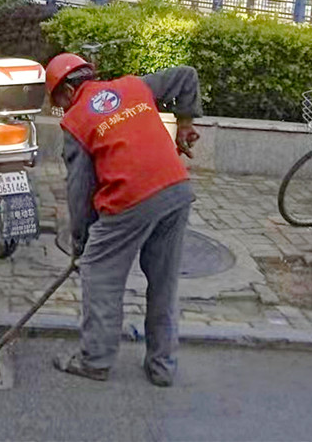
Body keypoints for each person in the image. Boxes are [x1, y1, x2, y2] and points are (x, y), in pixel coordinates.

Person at [45, 53, 202, 387]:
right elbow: (187, 76)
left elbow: (79, 188)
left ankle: (95, 360)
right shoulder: (133, 86)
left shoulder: (76, 121)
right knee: (164, 283)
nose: (60, 108)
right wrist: (185, 123)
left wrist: (81, 243)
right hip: (176, 190)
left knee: (99, 275)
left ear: (67, 92)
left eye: (58, 100)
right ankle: (162, 366)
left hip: (130, 197)